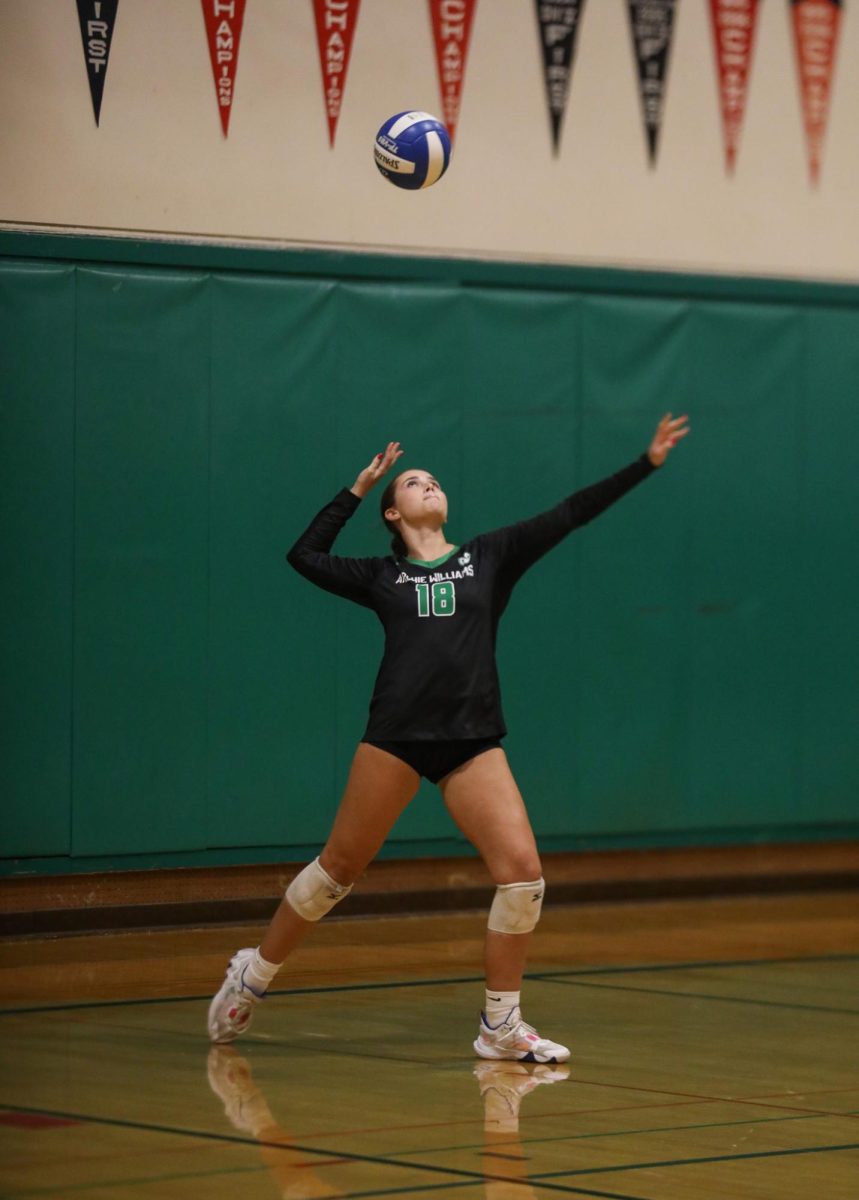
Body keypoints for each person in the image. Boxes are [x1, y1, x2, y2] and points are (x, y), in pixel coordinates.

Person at [208, 413, 690, 1061]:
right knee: (336, 873)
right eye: (412, 482)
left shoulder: (487, 556)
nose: (428, 485)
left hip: (470, 739)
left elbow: (571, 511)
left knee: (521, 879)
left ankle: (499, 1025)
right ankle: (255, 973)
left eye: (433, 479)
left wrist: (646, 462)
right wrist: (354, 489)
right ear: (392, 513)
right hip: (397, 736)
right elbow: (303, 556)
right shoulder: (381, 576)